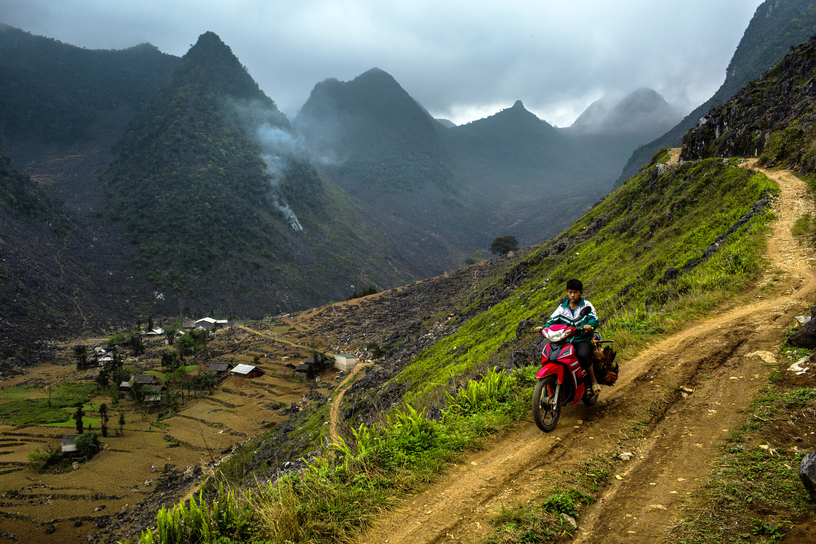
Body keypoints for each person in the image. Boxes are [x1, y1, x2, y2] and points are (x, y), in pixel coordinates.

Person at [543, 279, 602, 394]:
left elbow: (594, 319)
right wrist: (544, 327)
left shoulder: (586, 305)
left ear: (581, 293)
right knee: (554, 356)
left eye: (575, 292)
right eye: (570, 292)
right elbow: (552, 320)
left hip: (582, 339)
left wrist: (590, 326)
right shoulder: (562, 308)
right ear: (567, 292)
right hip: (566, 340)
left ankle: (594, 381)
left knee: (582, 355)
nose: (572, 295)